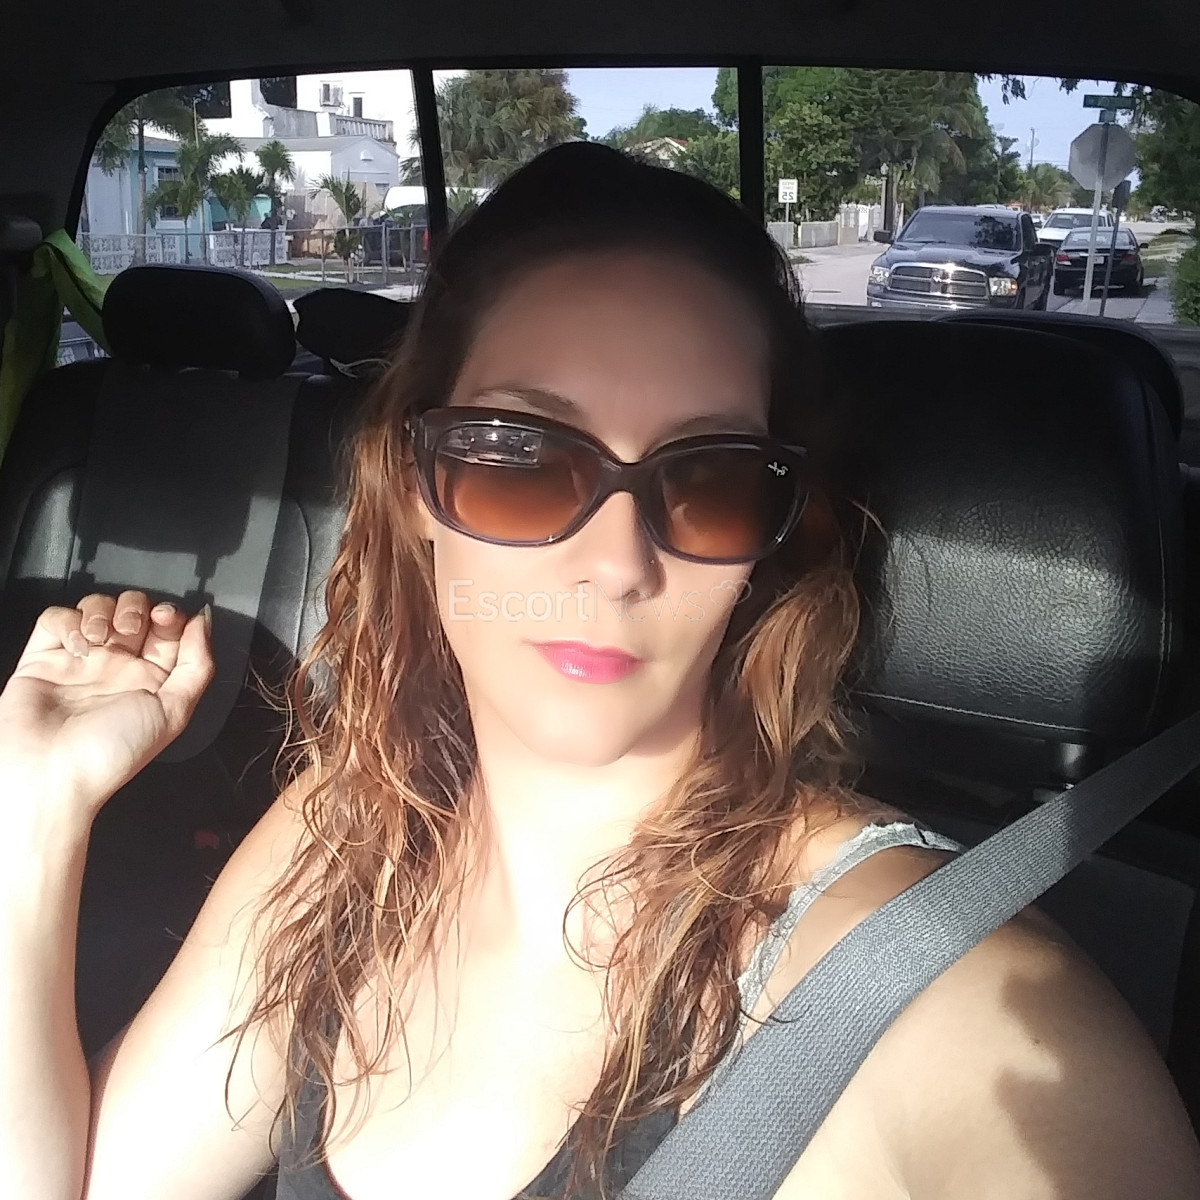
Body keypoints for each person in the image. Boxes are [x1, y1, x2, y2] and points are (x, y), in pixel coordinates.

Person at [1, 142, 1198, 1200]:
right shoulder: (346, 843)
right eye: (520, 457)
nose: (619, 563)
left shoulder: (942, 1006)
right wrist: (35, 802)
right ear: (414, 489)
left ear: (769, 540)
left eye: (710, 479)